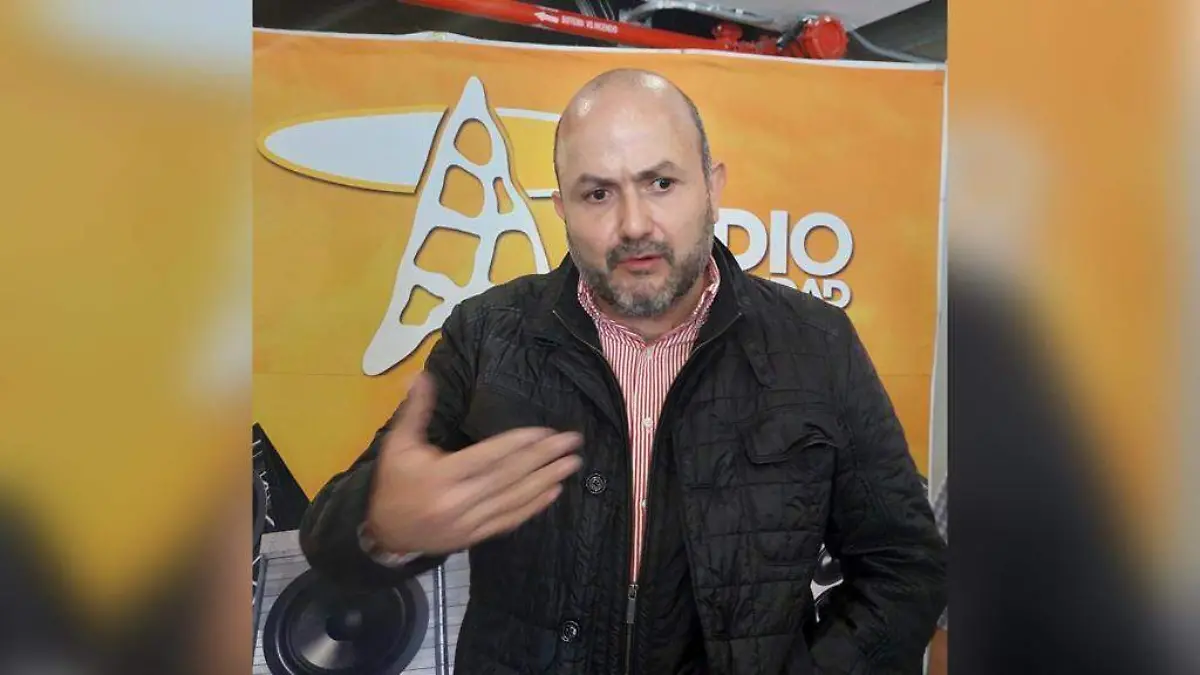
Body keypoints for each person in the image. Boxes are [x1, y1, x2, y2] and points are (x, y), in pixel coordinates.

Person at [299, 68, 947, 674]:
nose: (634, 224)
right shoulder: (487, 334)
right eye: (598, 193)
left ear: (713, 187)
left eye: (661, 183)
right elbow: (328, 540)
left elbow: (907, 567)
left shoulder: (816, 344)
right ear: (561, 206)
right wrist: (381, 529)